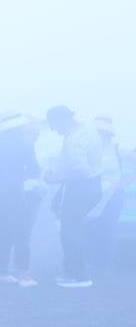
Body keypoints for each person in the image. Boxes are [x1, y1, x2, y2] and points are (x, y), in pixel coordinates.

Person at [44, 105, 108, 288]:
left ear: (61, 120)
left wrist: (55, 178)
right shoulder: (89, 131)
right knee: (75, 229)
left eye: (54, 125)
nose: (55, 131)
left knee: (69, 231)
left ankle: (77, 275)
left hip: (80, 187)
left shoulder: (74, 140)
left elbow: (81, 171)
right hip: (92, 186)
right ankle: (75, 272)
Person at [0, 113, 40, 286]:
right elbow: (34, 170)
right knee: (17, 233)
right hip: (15, 194)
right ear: (17, 129)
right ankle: (20, 274)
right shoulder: (25, 145)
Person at [87, 115, 128, 277]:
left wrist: (124, 184)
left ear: (107, 133)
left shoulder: (118, 148)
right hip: (92, 195)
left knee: (109, 229)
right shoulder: (89, 149)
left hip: (113, 196)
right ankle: (93, 262)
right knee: (90, 229)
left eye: (101, 131)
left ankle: (108, 265)